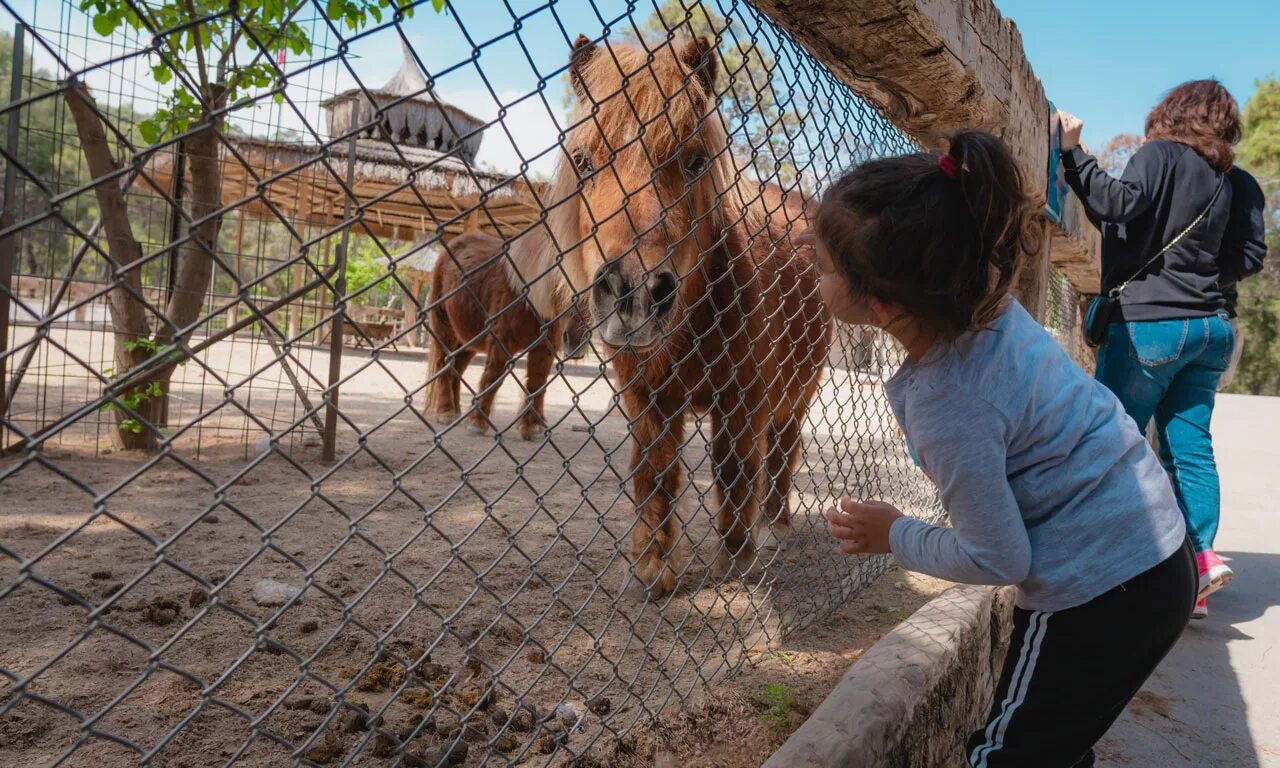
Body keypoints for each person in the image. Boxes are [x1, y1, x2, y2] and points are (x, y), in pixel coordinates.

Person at [804, 129, 1195, 767]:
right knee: (1053, 740)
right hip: (1152, 555)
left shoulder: (948, 401)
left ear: (879, 303)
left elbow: (1000, 557)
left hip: (1099, 593)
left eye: (820, 265)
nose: (808, 263)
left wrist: (895, 533)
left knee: (1007, 754)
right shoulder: (987, 307)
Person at [1057, 80, 1267, 619]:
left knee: (1108, 440)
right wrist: (1195, 279)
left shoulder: (1159, 155)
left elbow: (1114, 203)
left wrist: (1072, 152)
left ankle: (1100, 563)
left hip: (1151, 326)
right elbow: (1248, 257)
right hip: (1212, 330)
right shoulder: (1235, 182)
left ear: (1171, 112)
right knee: (1190, 448)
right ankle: (1199, 564)